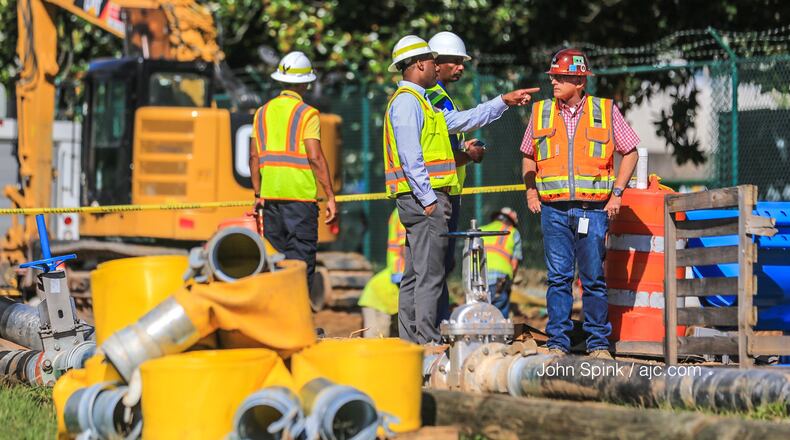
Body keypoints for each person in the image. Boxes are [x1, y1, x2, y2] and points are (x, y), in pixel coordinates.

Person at [384, 34, 536, 344]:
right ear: (421, 64)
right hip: (425, 199)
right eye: (432, 62)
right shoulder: (407, 103)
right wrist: (428, 200)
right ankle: (426, 341)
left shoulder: (421, 102)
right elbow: (411, 156)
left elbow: (461, 120)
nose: (436, 67)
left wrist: (502, 102)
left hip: (423, 198)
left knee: (417, 274)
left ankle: (412, 340)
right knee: (429, 275)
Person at [520, 48, 639, 359]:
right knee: (558, 278)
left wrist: (617, 193)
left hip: (593, 210)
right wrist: (531, 192)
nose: (554, 83)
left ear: (579, 81)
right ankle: (558, 342)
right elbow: (528, 155)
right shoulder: (540, 112)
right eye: (553, 77)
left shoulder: (605, 110)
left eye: (560, 78)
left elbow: (631, 152)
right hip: (553, 211)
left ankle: (598, 344)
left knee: (593, 279)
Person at [249, 51, 337, 291]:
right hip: (299, 201)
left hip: (271, 201)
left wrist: (258, 194)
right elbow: (315, 157)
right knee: (299, 263)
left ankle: (278, 322)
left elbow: (254, 156)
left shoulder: (261, 113)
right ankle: (299, 323)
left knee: (275, 265)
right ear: (305, 83)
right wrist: (330, 196)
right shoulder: (307, 114)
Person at [425, 31, 486, 323]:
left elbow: (443, 147)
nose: (462, 67)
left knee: (438, 266)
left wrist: (463, 149)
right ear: (436, 63)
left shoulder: (441, 97)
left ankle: (434, 326)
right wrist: (468, 155)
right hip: (439, 191)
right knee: (436, 265)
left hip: (446, 188)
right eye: (456, 62)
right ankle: (433, 328)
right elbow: (436, 154)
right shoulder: (435, 98)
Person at [358, 208, 405, 337]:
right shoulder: (405, 211)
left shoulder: (399, 211)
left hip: (380, 295)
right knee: (377, 344)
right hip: (376, 299)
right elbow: (404, 247)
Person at [480, 207, 522, 318]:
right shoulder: (513, 232)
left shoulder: (480, 229)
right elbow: (514, 263)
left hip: (477, 281)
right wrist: (510, 281)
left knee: (480, 315)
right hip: (499, 281)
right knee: (499, 319)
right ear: (511, 222)